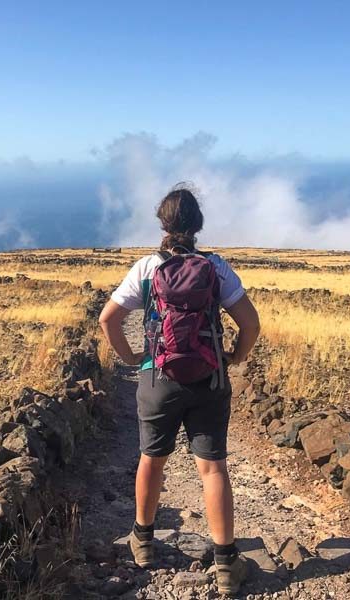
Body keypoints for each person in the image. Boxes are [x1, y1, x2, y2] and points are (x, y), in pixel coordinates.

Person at [98, 184, 261, 595]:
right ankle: (226, 564)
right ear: (197, 225)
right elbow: (251, 325)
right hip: (209, 379)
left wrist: (133, 359)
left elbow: (108, 320)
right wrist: (233, 358)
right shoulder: (217, 268)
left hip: (158, 378)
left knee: (152, 459)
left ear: (163, 222)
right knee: (213, 468)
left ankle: (143, 543)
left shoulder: (147, 268)